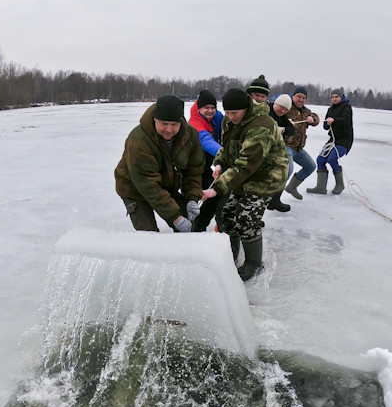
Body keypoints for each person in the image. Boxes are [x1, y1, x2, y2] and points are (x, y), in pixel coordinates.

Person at [201, 89, 288, 281]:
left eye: (235, 113)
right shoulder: (228, 120)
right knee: (226, 215)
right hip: (243, 175)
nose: (230, 117)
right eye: (228, 113)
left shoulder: (261, 126)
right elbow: (227, 147)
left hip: (266, 177)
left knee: (246, 219)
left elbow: (246, 164)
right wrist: (219, 163)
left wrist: (216, 189)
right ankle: (229, 257)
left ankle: (254, 264)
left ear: (246, 108)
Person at [114, 94, 204, 230]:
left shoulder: (190, 136)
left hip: (165, 184)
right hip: (135, 188)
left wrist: (192, 197)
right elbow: (148, 185)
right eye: (164, 124)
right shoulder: (138, 141)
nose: (169, 129)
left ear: (181, 121)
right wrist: (175, 217)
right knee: (149, 235)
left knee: (192, 227)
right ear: (155, 119)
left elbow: (193, 171)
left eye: (174, 124)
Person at [187, 89, 224, 232]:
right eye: (206, 108)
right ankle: (189, 229)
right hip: (191, 170)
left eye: (213, 107)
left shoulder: (217, 117)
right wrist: (223, 154)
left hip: (205, 166)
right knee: (192, 200)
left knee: (215, 194)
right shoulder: (195, 122)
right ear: (199, 108)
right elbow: (206, 140)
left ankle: (200, 225)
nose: (210, 110)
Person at [307, 89, 354, 195]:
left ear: (341, 97)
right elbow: (325, 127)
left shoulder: (346, 107)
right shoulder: (330, 109)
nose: (334, 99)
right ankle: (321, 187)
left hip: (344, 140)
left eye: (336, 97)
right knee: (320, 160)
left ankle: (340, 185)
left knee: (332, 159)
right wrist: (328, 124)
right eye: (332, 97)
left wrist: (335, 120)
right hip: (332, 140)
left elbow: (347, 121)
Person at [284, 85, 319, 199]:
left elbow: (316, 119)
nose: (301, 100)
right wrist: (286, 121)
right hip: (286, 146)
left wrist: (312, 119)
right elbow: (275, 116)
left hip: (298, 148)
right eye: (298, 96)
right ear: (293, 96)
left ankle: (292, 187)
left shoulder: (306, 111)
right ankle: (274, 196)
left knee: (311, 166)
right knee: (288, 170)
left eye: (303, 98)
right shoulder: (287, 107)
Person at [266, 93, 295, 213]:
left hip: (277, 149)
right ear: (275, 104)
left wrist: (282, 129)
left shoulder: (283, 116)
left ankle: (275, 199)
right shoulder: (266, 110)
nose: (282, 111)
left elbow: (291, 130)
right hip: (264, 148)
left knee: (287, 170)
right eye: (281, 107)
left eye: (285, 109)